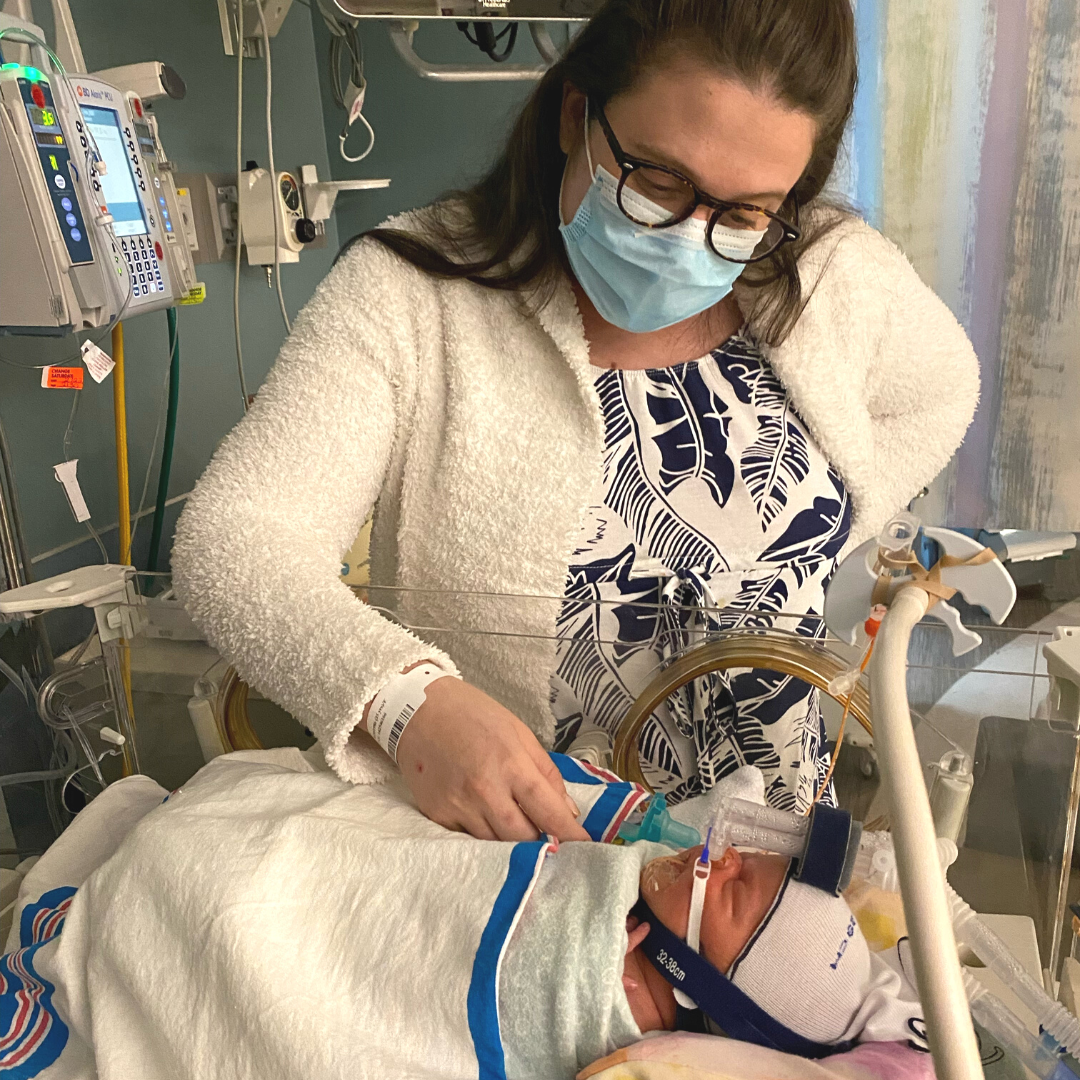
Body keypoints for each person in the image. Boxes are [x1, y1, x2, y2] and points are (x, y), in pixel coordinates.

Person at [172, 0, 979, 837]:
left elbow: (945, 387)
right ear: (575, 116)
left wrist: (825, 544)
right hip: (522, 868)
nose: (690, 237)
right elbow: (234, 541)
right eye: (659, 179)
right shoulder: (411, 297)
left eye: (743, 213)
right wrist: (406, 700)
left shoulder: (828, 272)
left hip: (769, 867)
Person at [7, 752, 922, 1080]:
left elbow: (410, 997)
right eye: (738, 853)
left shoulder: (612, 1003)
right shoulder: (654, 872)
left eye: (731, 890)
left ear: (705, 986)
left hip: (267, 925)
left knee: (223, 896)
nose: (714, 856)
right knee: (270, 826)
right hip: (359, 866)